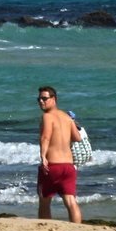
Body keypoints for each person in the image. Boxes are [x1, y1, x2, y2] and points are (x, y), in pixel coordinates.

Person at [36, 85, 82, 223]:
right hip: (68, 167)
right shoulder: (67, 118)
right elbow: (77, 138)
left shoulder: (47, 116)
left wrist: (43, 156)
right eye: (39, 99)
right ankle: (77, 229)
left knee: (45, 201)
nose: (41, 101)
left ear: (53, 99)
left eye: (44, 98)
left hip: (52, 166)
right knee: (70, 201)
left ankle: (45, 227)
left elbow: (46, 137)